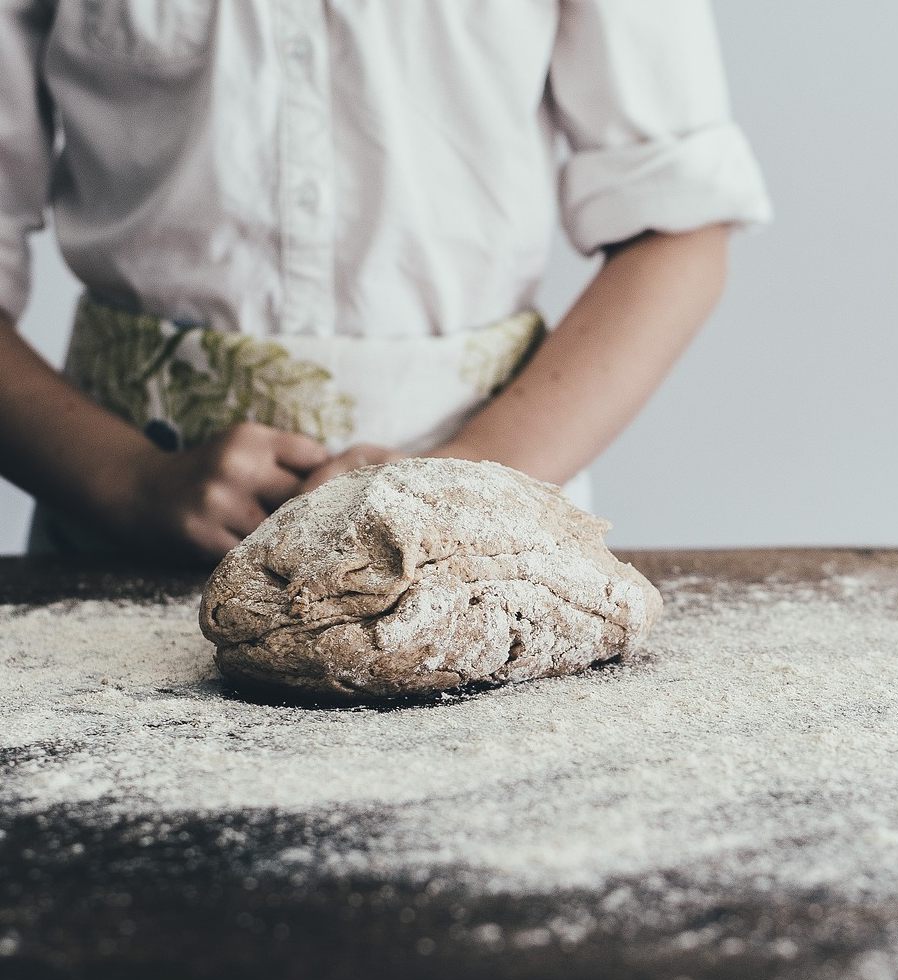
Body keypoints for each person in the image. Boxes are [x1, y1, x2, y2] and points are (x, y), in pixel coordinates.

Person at [0, 1, 771, 562]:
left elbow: (677, 229)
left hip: (484, 543)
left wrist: (460, 487)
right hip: (119, 536)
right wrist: (128, 480)